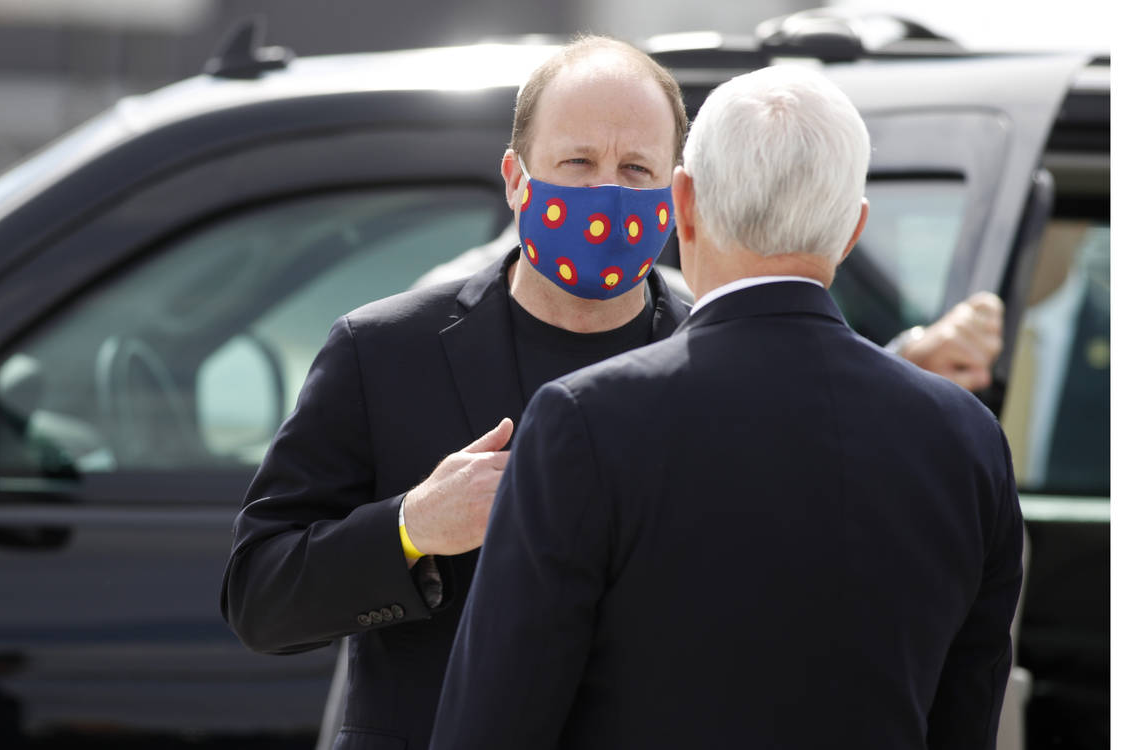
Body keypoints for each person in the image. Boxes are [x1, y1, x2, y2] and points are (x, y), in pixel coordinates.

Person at [221, 38, 1007, 750]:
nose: (607, 194)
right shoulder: (384, 350)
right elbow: (258, 595)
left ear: (679, 196)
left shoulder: (714, 356)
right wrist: (409, 528)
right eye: (578, 164)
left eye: (636, 171)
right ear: (516, 181)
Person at [429, 64, 1023, 750]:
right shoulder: (968, 439)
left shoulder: (585, 420)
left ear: (682, 202)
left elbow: (493, 724)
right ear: (852, 229)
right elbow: (966, 715)